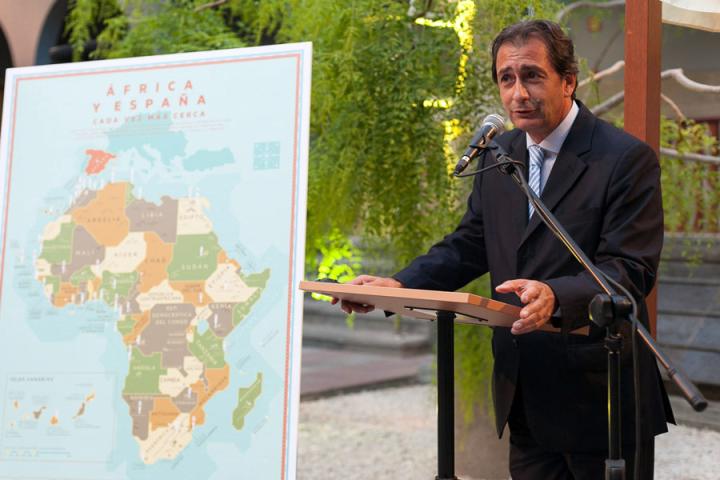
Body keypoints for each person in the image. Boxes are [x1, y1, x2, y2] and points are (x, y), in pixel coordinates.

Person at [334, 19, 674, 479]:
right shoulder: (499, 156)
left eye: (532, 75)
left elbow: (629, 269)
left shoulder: (624, 159)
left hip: (600, 397)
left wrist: (556, 296)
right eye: (506, 78)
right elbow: (468, 245)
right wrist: (399, 285)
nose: (518, 93)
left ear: (568, 80)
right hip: (525, 391)